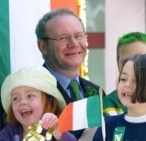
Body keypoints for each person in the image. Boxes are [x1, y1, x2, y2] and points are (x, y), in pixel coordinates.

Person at [35, 7, 105, 139]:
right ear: (43, 47)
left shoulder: (97, 93)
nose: (73, 44)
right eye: (63, 38)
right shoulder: (31, 93)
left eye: (78, 36)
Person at [0, 66, 76, 141]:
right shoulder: (10, 132)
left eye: (30, 96)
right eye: (16, 98)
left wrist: (58, 132)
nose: (22, 102)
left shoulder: (55, 132)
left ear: (49, 101)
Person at [103, 32, 146, 117]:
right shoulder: (108, 106)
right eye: (126, 61)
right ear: (118, 64)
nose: (133, 66)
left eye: (142, 60)